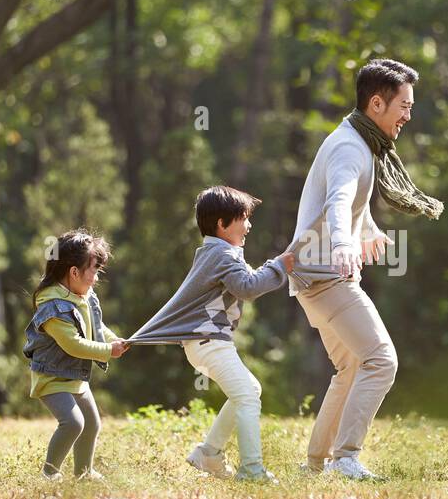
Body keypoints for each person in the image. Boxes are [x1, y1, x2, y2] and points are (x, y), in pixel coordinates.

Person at [287, 58, 444, 480]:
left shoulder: (357, 140)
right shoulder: (349, 148)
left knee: (351, 367)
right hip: (326, 275)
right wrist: (342, 243)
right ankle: (347, 457)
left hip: (310, 275)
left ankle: (317, 463)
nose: (409, 116)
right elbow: (337, 200)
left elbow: (351, 200)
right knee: (382, 360)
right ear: (377, 103)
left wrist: (368, 229)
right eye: (404, 107)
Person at [126, 186, 295, 482]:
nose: (249, 225)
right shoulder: (222, 255)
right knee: (247, 397)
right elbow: (248, 287)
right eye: (243, 218)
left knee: (249, 391)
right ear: (221, 223)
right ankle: (251, 469)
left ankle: (209, 454)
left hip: (207, 344)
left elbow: (245, 280)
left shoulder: (217, 253)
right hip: (209, 343)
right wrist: (277, 267)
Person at [22, 229, 128, 480]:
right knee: (73, 424)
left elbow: (96, 326)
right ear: (73, 272)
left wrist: (113, 340)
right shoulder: (53, 307)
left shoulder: (83, 295)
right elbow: (73, 344)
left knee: (91, 424)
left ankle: (83, 473)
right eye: (94, 270)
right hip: (52, 378)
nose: (96, 278)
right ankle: (50, 474)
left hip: (74, 376)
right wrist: (107, 351)